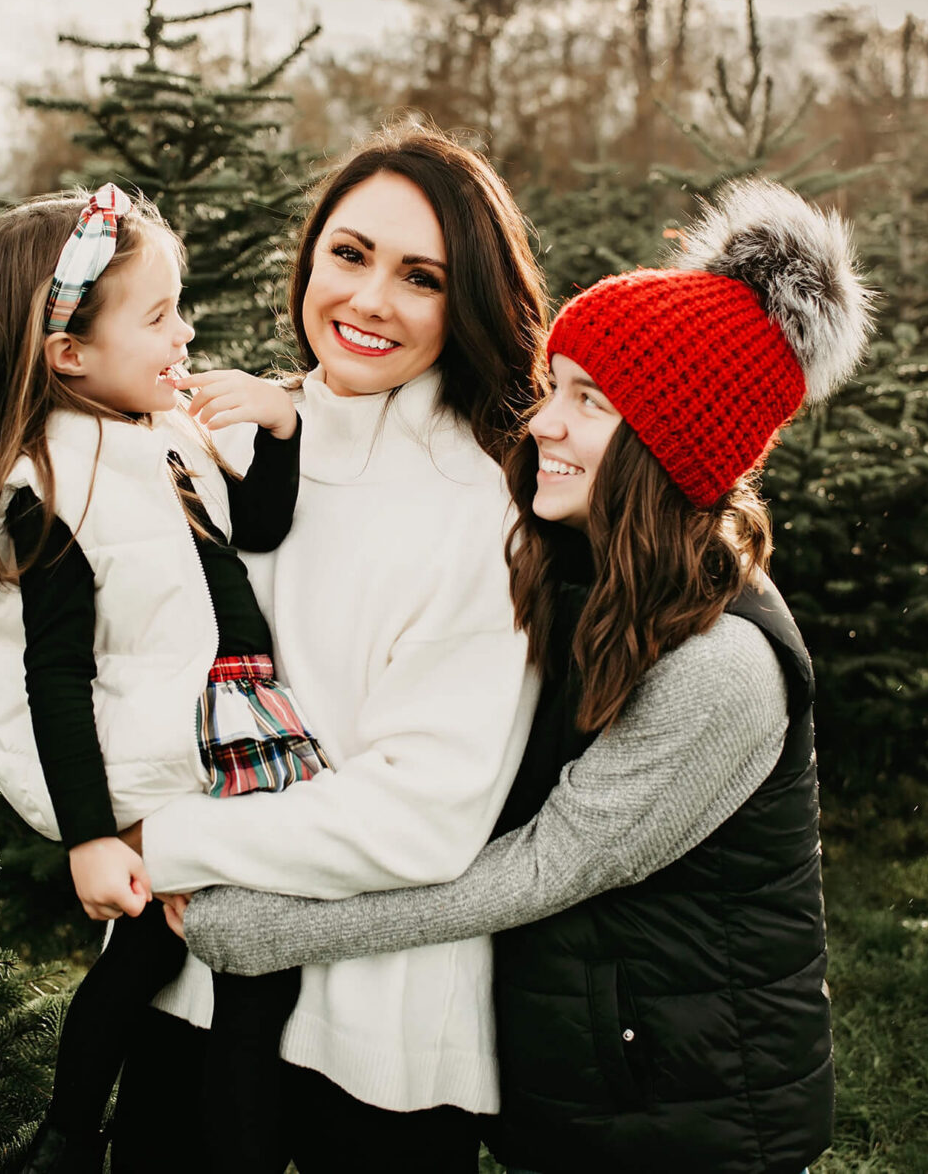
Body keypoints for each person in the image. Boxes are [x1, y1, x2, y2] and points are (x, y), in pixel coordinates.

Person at [168, 178, 872, 1174]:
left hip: (691, 1113)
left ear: (666, 446)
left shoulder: (723, 665)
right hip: (589, 1073)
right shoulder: (582, 568)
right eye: (553, 387)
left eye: (588, 402)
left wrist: (274, 925)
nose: (541, 421)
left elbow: (547, 863)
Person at [104, 123, 551, 1174]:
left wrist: (158, 842)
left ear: (468, 301)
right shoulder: (222, 440)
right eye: (348, 254)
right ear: (308, 257)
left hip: (373, 1042)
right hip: (187, 984)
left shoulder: (484, 507)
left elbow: (421, 814)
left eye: (421, 276)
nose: (367, 299)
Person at [0, 185, 324, 1174]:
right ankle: (72, 1132)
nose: (184, 332)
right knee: (184, 960)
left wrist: (280, 423)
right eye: (158, 315)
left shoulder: (170, 430)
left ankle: (123, 1138)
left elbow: (262, 527)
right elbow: (52, 677)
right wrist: (92, 838)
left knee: (218, 963)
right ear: (70, 354)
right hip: (168, 754)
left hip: (237, 721)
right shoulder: (48, 486)